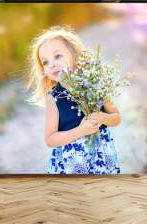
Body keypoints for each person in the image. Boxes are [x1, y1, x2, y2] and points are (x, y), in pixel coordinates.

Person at [27, 26, 122, 174]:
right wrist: (81, 130)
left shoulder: (96, 84)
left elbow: (117, 118)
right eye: (45, 62)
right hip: (73, 163)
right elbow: (50, 139)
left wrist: (103, 118)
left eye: (57, 56)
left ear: (75, 55)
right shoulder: (54, 98)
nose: (51, 64)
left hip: (103, 158)